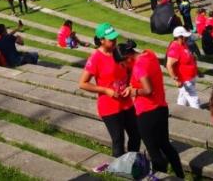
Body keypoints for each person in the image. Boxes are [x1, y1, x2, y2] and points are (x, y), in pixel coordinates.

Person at [116, 41, 184, 179]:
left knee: (154, 152)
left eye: (123, 64)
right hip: (161, 108)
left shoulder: (139, 67)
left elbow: (148, 90)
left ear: (128, 58)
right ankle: (180, 176)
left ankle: (161, 176)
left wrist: (133, 91)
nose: (124, 67)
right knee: (166, 145)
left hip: (147, 113)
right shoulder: (149, 54)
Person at [78, 23, 140, 160]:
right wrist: (105, 90)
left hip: (127, 103)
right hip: (110, 107)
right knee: (118, 140)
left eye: (115, 38)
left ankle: (133, 162)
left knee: (136, 135)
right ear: (101, 40)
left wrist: (129, 85)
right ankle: (119, 169)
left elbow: (130, 69)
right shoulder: (95, 58)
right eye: (111, 39)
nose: (114, 41)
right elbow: (82, 83)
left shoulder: (118, 52)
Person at [165, 26, 200, 108]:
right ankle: (198, 113)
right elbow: (169, 65)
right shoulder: (174, 48)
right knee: (193, 98)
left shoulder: (184, 44)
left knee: (182, 96)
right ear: (179, 37)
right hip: (184, 79)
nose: (187, 38)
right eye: (185, 36)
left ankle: (180, 109)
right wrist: (176, 80)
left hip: (191, 76)